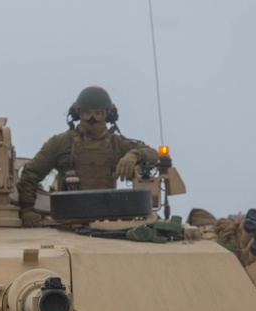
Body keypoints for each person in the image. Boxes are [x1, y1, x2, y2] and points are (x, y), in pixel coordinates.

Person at [16, 86, 159, 226]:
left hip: (107, 223)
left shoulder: (117, 144)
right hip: (67, 222)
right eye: (87, 113)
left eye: (98, 114)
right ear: (78, 114)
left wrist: (134, 155)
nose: (92, 119)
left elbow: (153, 154)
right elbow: (31, 173)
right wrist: (27, 209)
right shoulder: (60, 143)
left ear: (107, 115)